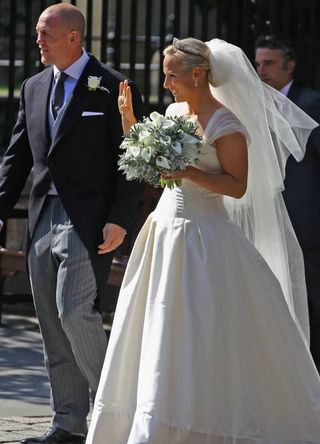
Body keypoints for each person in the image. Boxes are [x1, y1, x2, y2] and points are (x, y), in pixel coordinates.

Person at [86, 38, 320, 443]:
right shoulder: (175, 112)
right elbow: (156, 169)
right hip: (164, 231)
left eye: (171, 74)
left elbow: (238, 186)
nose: (166, 83)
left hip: (205, 238)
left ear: (198, 74)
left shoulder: (227, 124)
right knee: (155, 326)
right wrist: (129, 123)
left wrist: (188, 172)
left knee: (201, 329)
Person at [0, 4, 144, 443]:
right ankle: (67, 423)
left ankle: (115, 414)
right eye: (39, 34)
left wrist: (120, 220)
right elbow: (17, 156)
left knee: (73, 311)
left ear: (73, 38)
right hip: (43, 218)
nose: (37, 41)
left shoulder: (115, 86)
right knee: (50, 321)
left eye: (46, 34)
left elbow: (131, 160)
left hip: (89, 222)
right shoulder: (33, 86)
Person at [255, 35, 320, 372]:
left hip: (307, 226)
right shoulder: (252, 103)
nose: (261, 71)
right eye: (258, 63)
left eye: (269, 63)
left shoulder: (311, 102)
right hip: (267, 223)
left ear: (289, 66)